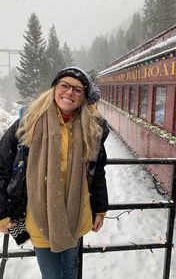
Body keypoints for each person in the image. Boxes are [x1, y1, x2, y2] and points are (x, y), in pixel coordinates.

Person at [0, 66, 109, 279]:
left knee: (71, 271)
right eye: (65, 86)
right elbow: (1, 166)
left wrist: (100, 208)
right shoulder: (28, 123)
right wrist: (2, 213)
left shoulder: (90, 129)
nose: (69, 92)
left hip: (77, 214)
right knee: (52, 276)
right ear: (54, 88)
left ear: (84, 98)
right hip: (39, 216)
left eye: (78, 90)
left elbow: (97, 172)